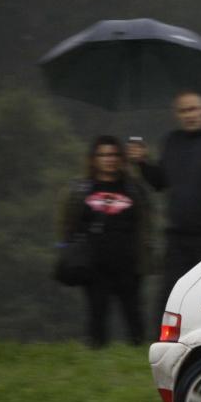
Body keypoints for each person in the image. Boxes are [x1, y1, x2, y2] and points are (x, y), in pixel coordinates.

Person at [127, 90, 201, 334]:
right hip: (178, 234)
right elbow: (160, 182)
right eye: (183, 111)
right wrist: (143, 163)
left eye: (194, 109)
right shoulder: (171, 141)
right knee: (170, 290)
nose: (189, 115)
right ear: (176, 115)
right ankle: (161, 340)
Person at [58, 136, 151, 348]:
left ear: (121, 158)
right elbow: (67, 224)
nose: (109, 159)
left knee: (133, 315)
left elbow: (145, 225)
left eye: (114, 154)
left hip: (128, 264)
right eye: (103, 155)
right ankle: (96, 355)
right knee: (96, 316)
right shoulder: (81, 190)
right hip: (94, 266)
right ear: (93, 159)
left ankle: (138, 356)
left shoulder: (134, 190)